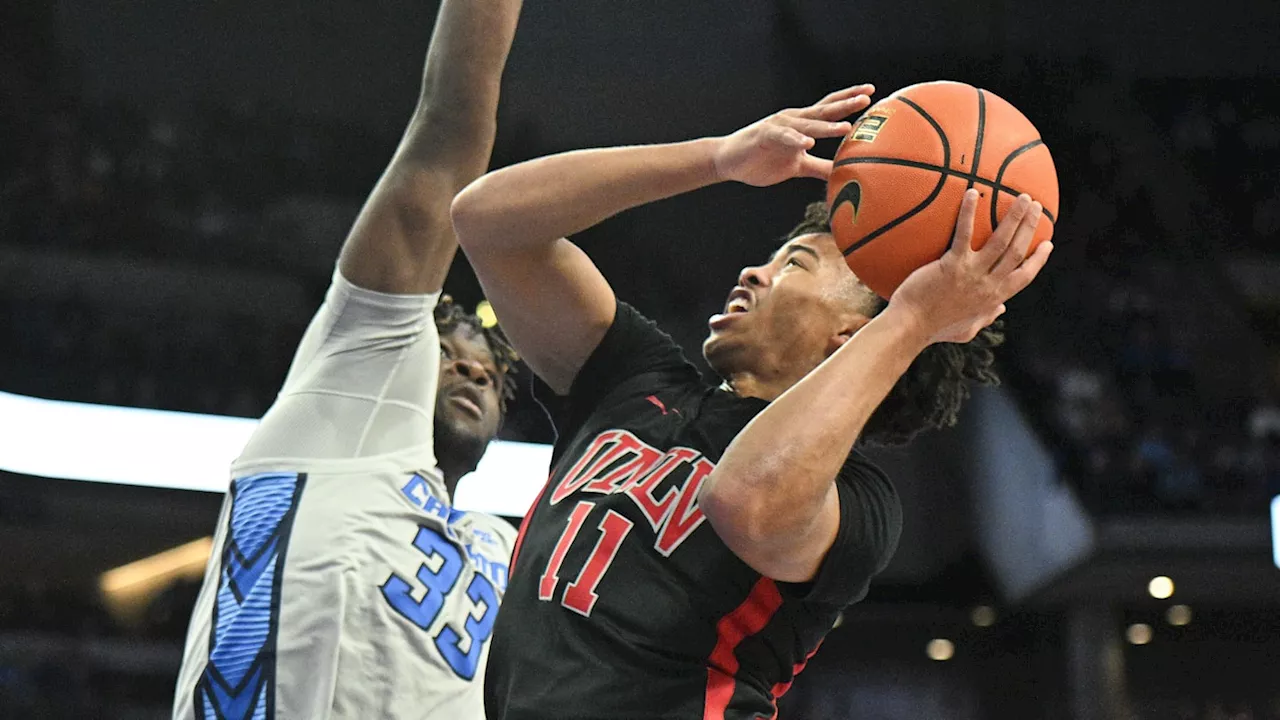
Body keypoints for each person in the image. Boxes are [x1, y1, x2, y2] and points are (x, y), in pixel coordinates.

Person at [450, 84, 1051, 719]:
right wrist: (716, 159)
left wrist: (914, 318)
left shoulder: (859, 503)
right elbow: (488, 221)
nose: (752, 273)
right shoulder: (634, 379)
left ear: (852, 333)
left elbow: (742, 499)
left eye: (792, 263)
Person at [172, 1, 523, 717]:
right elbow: (448, 138)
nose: (475, 371)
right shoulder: (349, 406)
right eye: (451, 355)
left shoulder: (505, 548)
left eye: (487, 370)